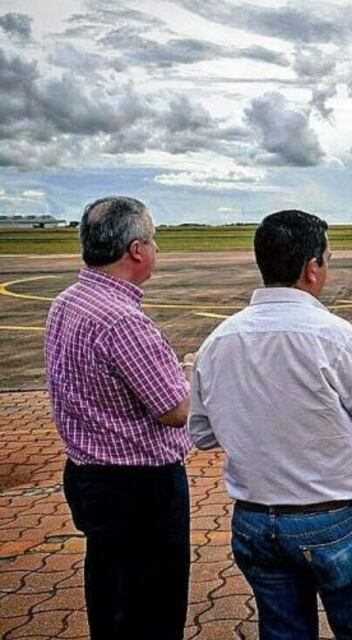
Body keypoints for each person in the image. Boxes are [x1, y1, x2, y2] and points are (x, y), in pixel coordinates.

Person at [188, 210, 352, 640]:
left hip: (254, 522)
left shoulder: (218, 341)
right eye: (327, 258)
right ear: (312, 268)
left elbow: (201, 435)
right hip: (330, 519)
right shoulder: (334, 336)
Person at [44, 196, 193, 640]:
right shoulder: (123, 321)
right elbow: (175, 410)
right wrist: (192, 379)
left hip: (90, 476)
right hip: (140, 490)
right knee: (153, 611)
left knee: (110, 598)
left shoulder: (67, 302)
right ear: (135, 250)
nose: (156, 249)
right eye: (153, 240)